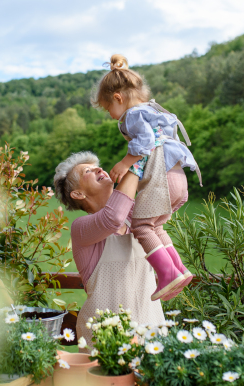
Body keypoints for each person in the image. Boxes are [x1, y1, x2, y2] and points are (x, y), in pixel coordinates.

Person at [91, 54, 202, 302]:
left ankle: (166, 275)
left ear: (118, 98)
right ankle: (178, 270)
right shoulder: (153, 112)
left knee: (141, 226)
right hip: (178, 180)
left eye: (109, 108)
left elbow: (146, 142)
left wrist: (125, 162)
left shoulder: (132, 115)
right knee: (155, 226)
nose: (111, 115)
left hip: (161, 181)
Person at [53, 151, 165, 349]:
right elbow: (112, 219)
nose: (99, 168)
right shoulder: (81, 228)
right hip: (105, 339)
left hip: (151, 331)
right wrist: (136, 161)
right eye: (87, 171)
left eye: (98, 166)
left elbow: (163, 205)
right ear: (78, 194)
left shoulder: (136, 219)